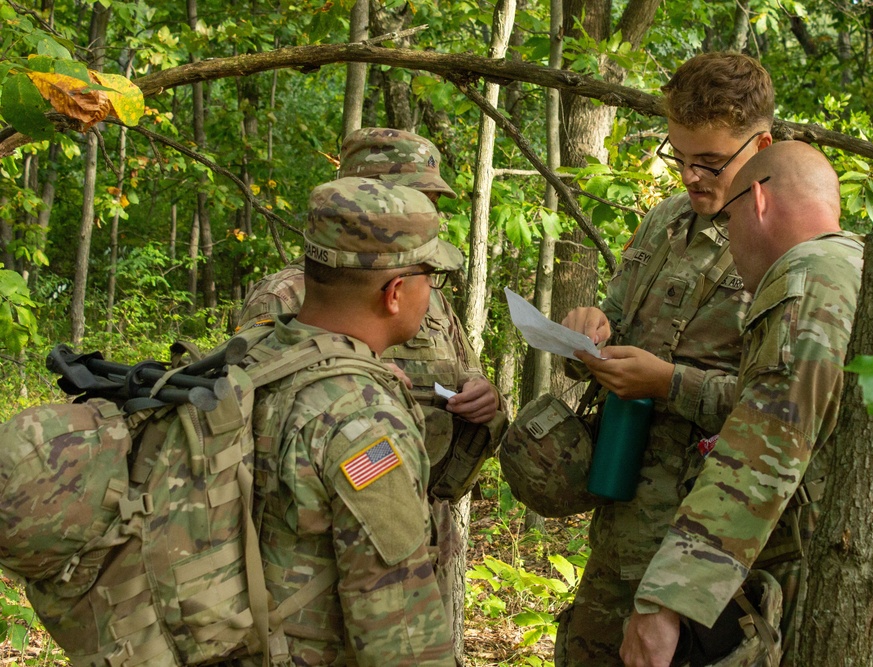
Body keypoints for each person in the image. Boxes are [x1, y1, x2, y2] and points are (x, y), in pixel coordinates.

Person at [620, 141, 873, 667]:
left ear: (759, 200)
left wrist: (667, 599)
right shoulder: (863, 270)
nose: (729, 236)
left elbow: (763, 452)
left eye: (730, 217)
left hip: (832, 592)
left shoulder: (807, 277)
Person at [237, 127, 505, 628]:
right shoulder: (289, 296)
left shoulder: (430, 294)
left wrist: (486, 401)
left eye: (430, 198)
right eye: (413, 196)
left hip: (422, 530)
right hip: (322, 558)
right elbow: (253, 431)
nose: (428, 211)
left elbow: (467, 371)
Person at [555, 52, 773, 664]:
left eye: (709, 162)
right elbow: (620, 320)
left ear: (762, 144)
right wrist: (589, 333)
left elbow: (786, 412)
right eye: (677, 157)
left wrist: (670, 384)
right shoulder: (666, 221)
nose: (689, 176)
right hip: (622, 512)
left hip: (710, 544)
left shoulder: (786, 241)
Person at [246, 177, 459, 665]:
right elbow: (402, 641)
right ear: (396, 293)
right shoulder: (363, 423)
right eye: (432, 277)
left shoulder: (252, 357)